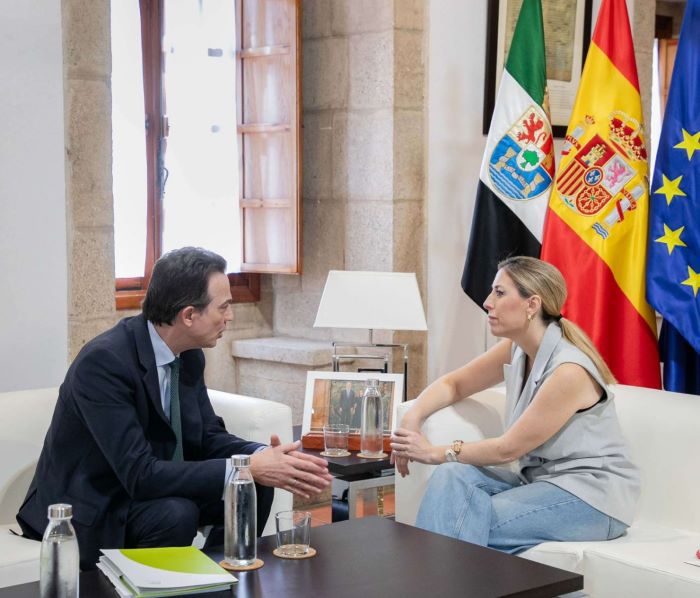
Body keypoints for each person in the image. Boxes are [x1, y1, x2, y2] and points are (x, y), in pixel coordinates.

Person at [17, 247, 332, 570]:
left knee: (251, 484)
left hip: (147, 489)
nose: (230, 317)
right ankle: (162, 585)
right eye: (224, 307)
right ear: (189, 315)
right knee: (177, 513)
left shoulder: (188, 353)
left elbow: (208, 436)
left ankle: (224, 573)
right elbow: (139, 474)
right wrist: (249, 465)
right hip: (93, 505)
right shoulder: (104, 363)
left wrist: (264, 456)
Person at [390, 256, 639, 554]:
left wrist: (432, 452)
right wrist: (412, 418)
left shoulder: (569, 371)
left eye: (499, 292)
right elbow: (454, 384)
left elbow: (507, 449)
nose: (487, 302)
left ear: (532, 305)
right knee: (451, 475)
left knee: (460, 521)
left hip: (592, 499)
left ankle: (424, 577)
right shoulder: (517, 349)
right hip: (538, 483)